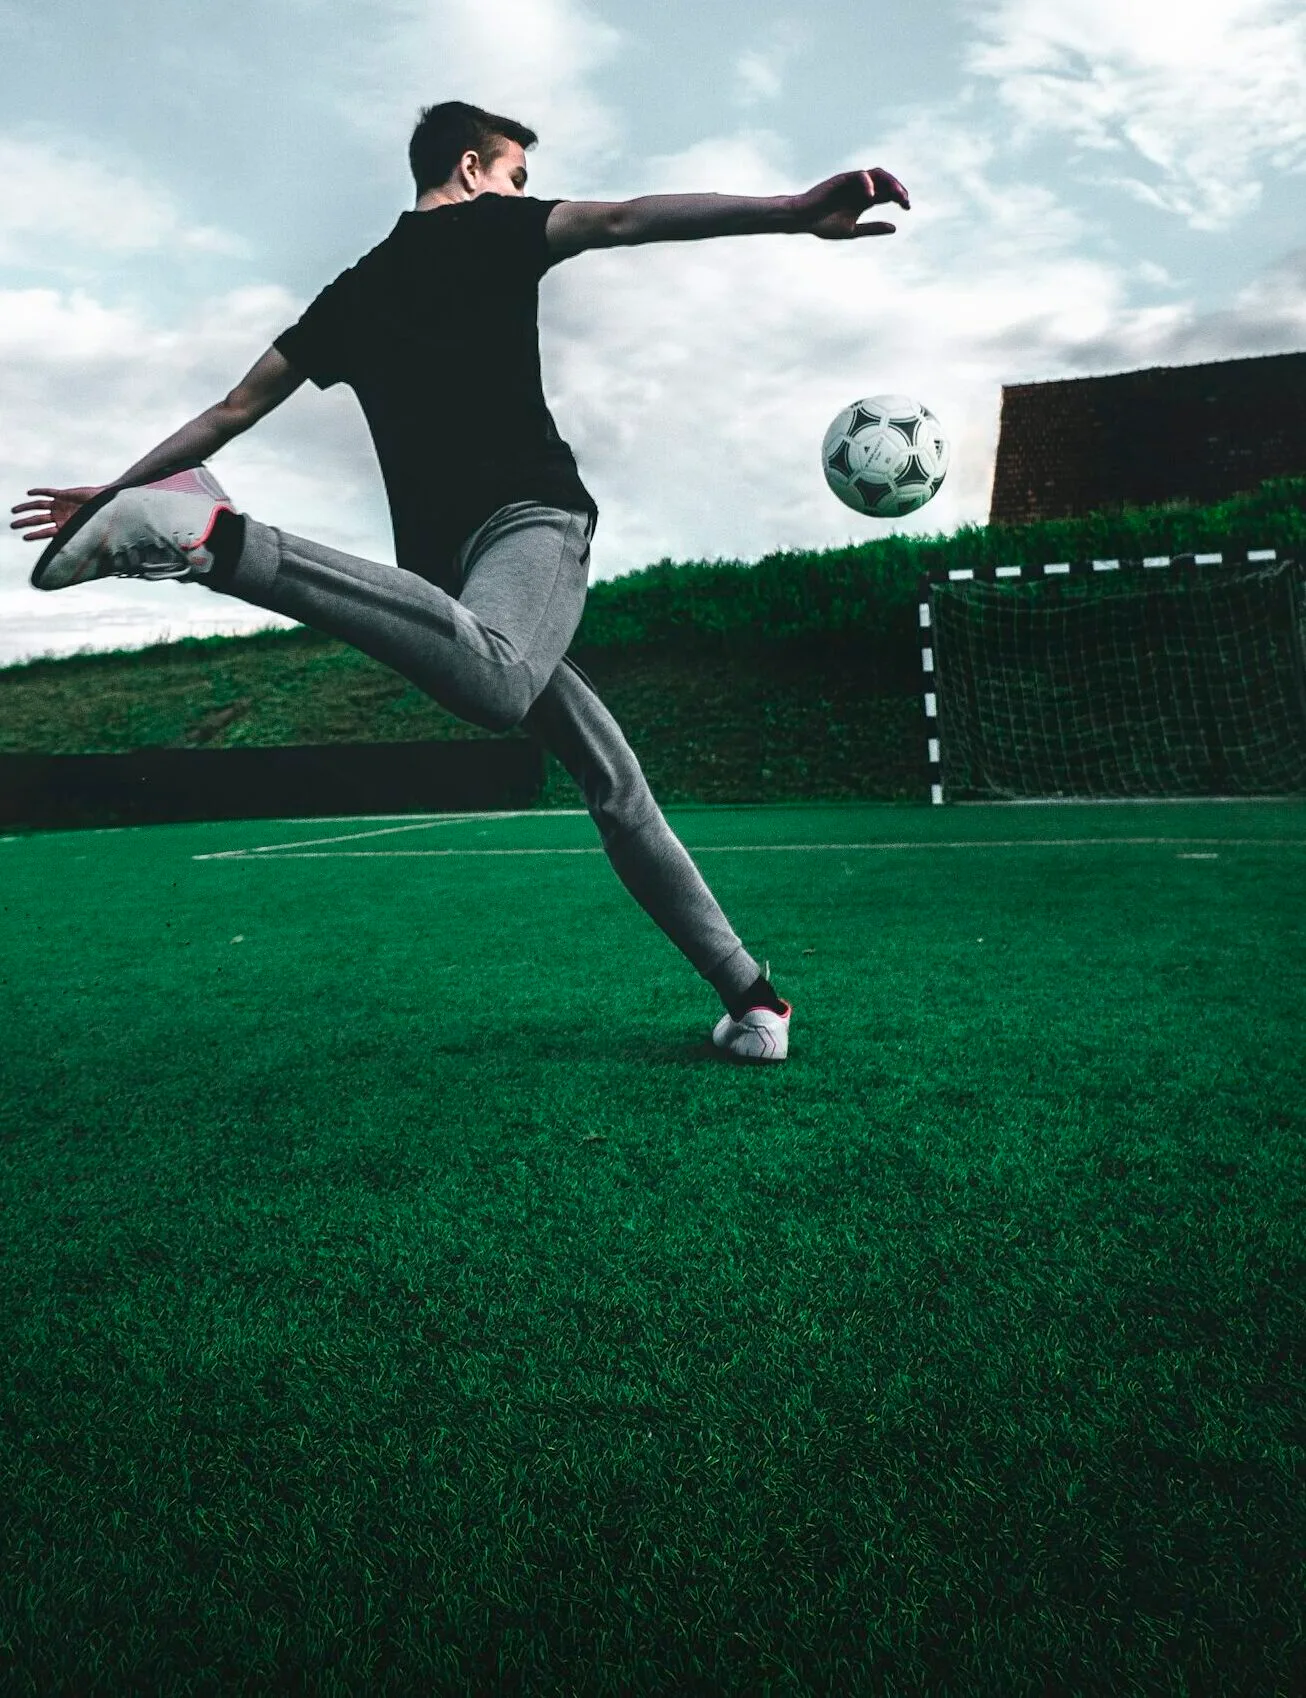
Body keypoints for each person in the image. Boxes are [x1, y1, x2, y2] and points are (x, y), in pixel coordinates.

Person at [11, 100, 910, 1064]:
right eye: (519, 173)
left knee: (612, 779)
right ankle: (227, 547)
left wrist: (115, 492)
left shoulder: (351, 294)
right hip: (531, 521)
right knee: (497, 683)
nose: (527, 190)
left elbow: (230, 411)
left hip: (455, 581)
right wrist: (791, 209)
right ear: (475, 168)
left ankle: (751, 994)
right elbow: (625, 218)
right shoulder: (497, 226)